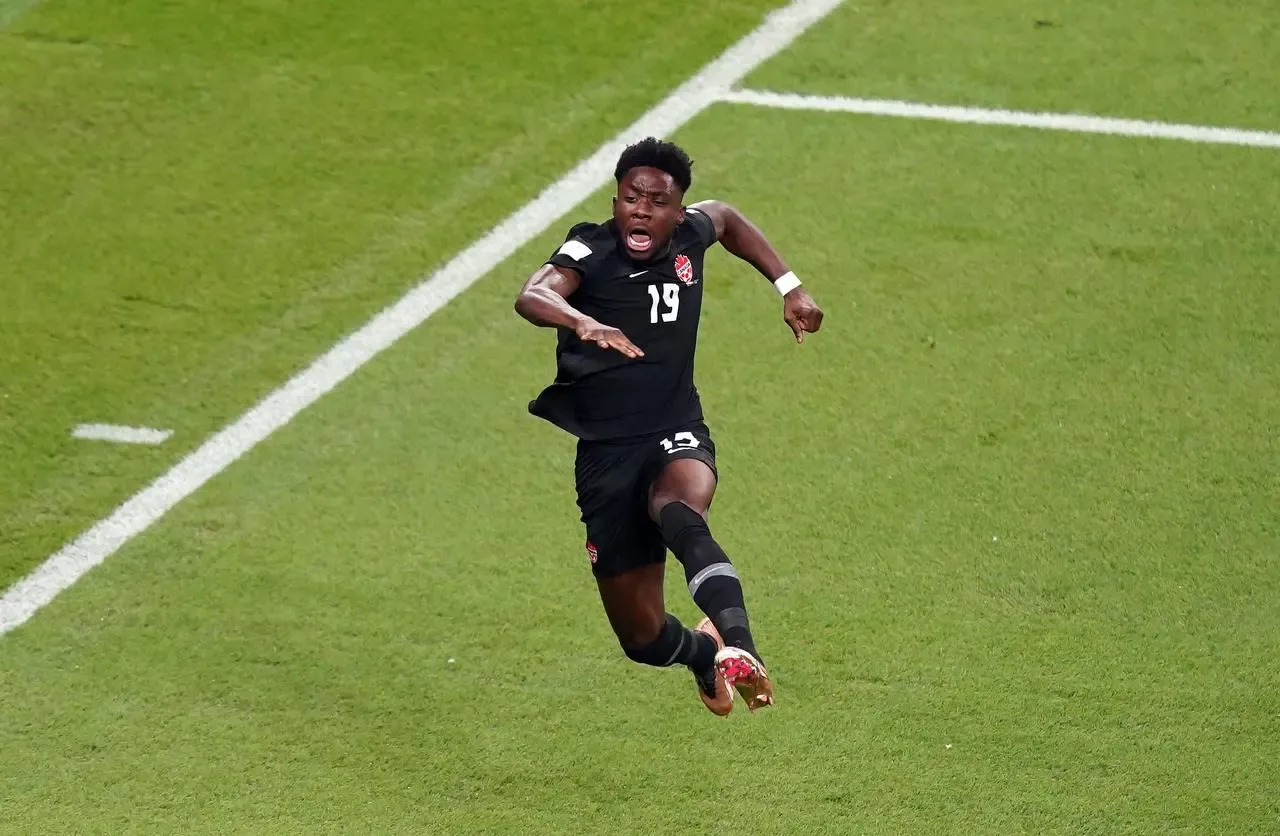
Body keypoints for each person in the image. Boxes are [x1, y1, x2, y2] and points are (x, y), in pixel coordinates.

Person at [514, 137, 824, 715]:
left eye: (657, 202)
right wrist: (582, 322)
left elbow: (727, 217)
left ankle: (742, 649)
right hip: (606, 458)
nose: (641, 210)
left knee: (680, 511)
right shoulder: (589, 248)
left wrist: (790, 287)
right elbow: (532, 295)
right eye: (631, 198)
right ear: (615, 201)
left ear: (677, 213)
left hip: (674, 428)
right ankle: (705, 655)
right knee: (643, 639)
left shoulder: (691, 237)